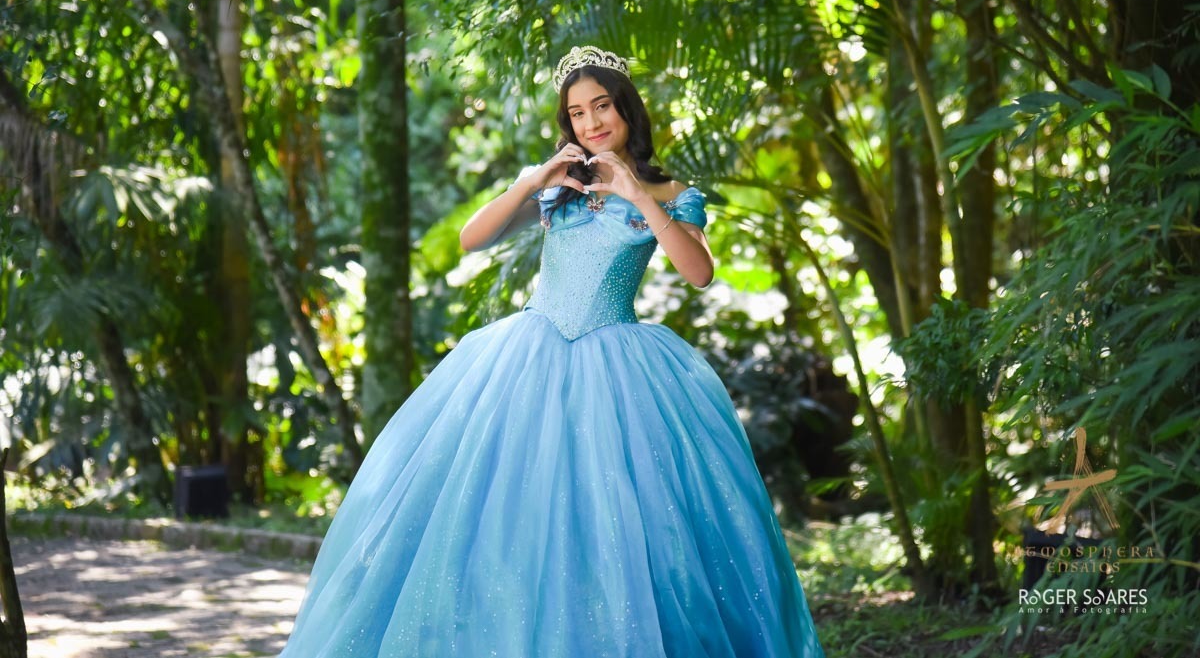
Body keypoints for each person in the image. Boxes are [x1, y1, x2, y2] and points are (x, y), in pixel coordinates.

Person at [277, 46, 825, 657]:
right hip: (527, 359)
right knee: (507, 517)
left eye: (602, 107)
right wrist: (531, 181)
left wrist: (638, 195)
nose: (592, 123)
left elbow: (697, 272)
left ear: (625, 110)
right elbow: (470, 238)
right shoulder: (560, 188)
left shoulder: (673, 193)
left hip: (618, 366)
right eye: (577, 113)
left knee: (614, 518)